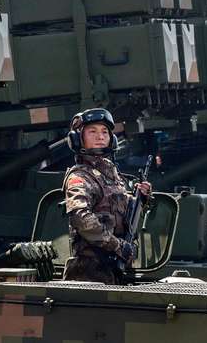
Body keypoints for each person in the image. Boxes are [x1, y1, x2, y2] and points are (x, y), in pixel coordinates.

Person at [63, 108, 151, 285]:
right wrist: (117, 246)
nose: (100, 136)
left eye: (105, 132)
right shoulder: (79, 177)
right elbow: (82, 219)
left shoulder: (111, 174)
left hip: (114, 270)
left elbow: (120, 212)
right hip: (88, 273)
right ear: (78, 138)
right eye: (92, 131)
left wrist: (141, 198)